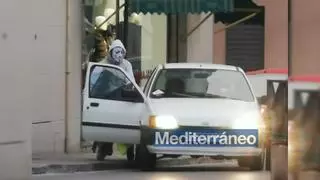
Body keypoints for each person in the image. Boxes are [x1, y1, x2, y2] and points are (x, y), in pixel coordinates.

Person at [92, 39, 135, 161]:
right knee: (106, 128)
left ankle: (130, 152)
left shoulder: (127, 65)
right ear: (111, 52)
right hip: (107, 100)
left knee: (127, 128)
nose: (119, 55)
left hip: (123, 99)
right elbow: (94, 82)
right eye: (116, 52)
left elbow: (130, 81)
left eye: (121, 52)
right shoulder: (103, 64)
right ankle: (103, 149)